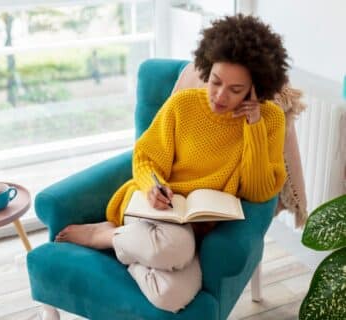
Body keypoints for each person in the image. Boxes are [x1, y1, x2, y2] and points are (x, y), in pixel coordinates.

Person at [55, 14, 289, 313]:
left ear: (255, 89)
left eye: (235, 89)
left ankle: (125, 247)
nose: (219, 95)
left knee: (171, 296)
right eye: (215, 82)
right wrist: (152, 185)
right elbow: (145, 156)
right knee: (172, 248)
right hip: (154, 208)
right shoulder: (183, 105)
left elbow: (258, 191)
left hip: (195, 225)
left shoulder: (269, 120)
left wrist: (253, 125)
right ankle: (102, 235)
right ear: (207, 69)